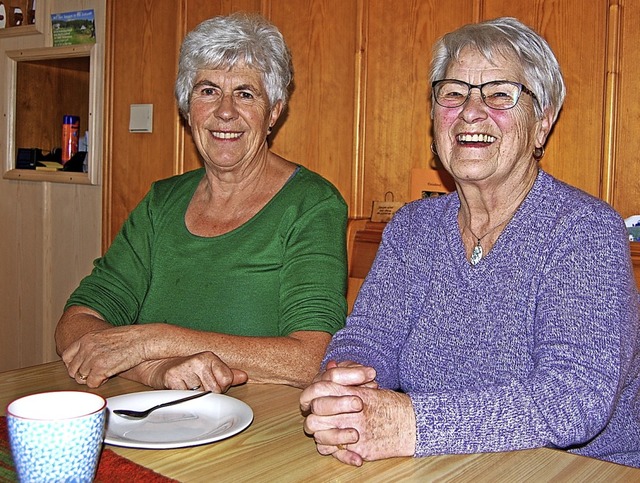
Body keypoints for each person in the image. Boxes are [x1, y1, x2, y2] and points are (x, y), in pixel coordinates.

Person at [300, 17, 640, 468]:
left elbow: (572, 399)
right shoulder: (412, 227)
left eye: (500, 94)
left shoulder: (583, 230)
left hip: (581, 470)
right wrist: (348, 390)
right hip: (442, 463)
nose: (471, 111)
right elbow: (368, 339)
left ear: (542, 123)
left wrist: (411, 424)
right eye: (454, 93)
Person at [55, 12, 348, 393]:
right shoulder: (162, 202)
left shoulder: (312, 204)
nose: (225, 111)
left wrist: (156, 339)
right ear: (187, 109)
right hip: (150, 421)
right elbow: (77, 322)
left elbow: (309, 360)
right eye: (208, 91)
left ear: (273, 112)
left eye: (245, 93)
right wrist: (155, 369)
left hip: (258, 430)